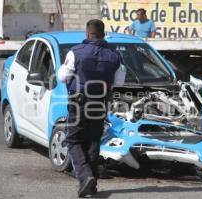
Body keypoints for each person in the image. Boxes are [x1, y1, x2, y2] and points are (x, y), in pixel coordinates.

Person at [57, 19, 125, 197]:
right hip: (100, 103)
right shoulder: (115, 56)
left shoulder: (76, 52)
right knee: (94, 140)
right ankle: (91, 183)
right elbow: (119, 82)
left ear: (87, 34)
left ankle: (86, 176)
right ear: (104, 34)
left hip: (78, 102)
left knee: (73, 140)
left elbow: (62, 77)